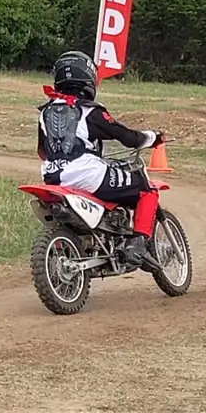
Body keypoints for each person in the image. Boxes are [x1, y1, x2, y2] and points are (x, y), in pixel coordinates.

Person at [37, 50, 169, 271]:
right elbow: (127, 137)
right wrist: (152, 137)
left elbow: (42, 151)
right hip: (87, 175)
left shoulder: (45, 112)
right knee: (147, 191)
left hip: (52, 177)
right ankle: (137, 244)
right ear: (88, 78)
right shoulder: (90, 111)